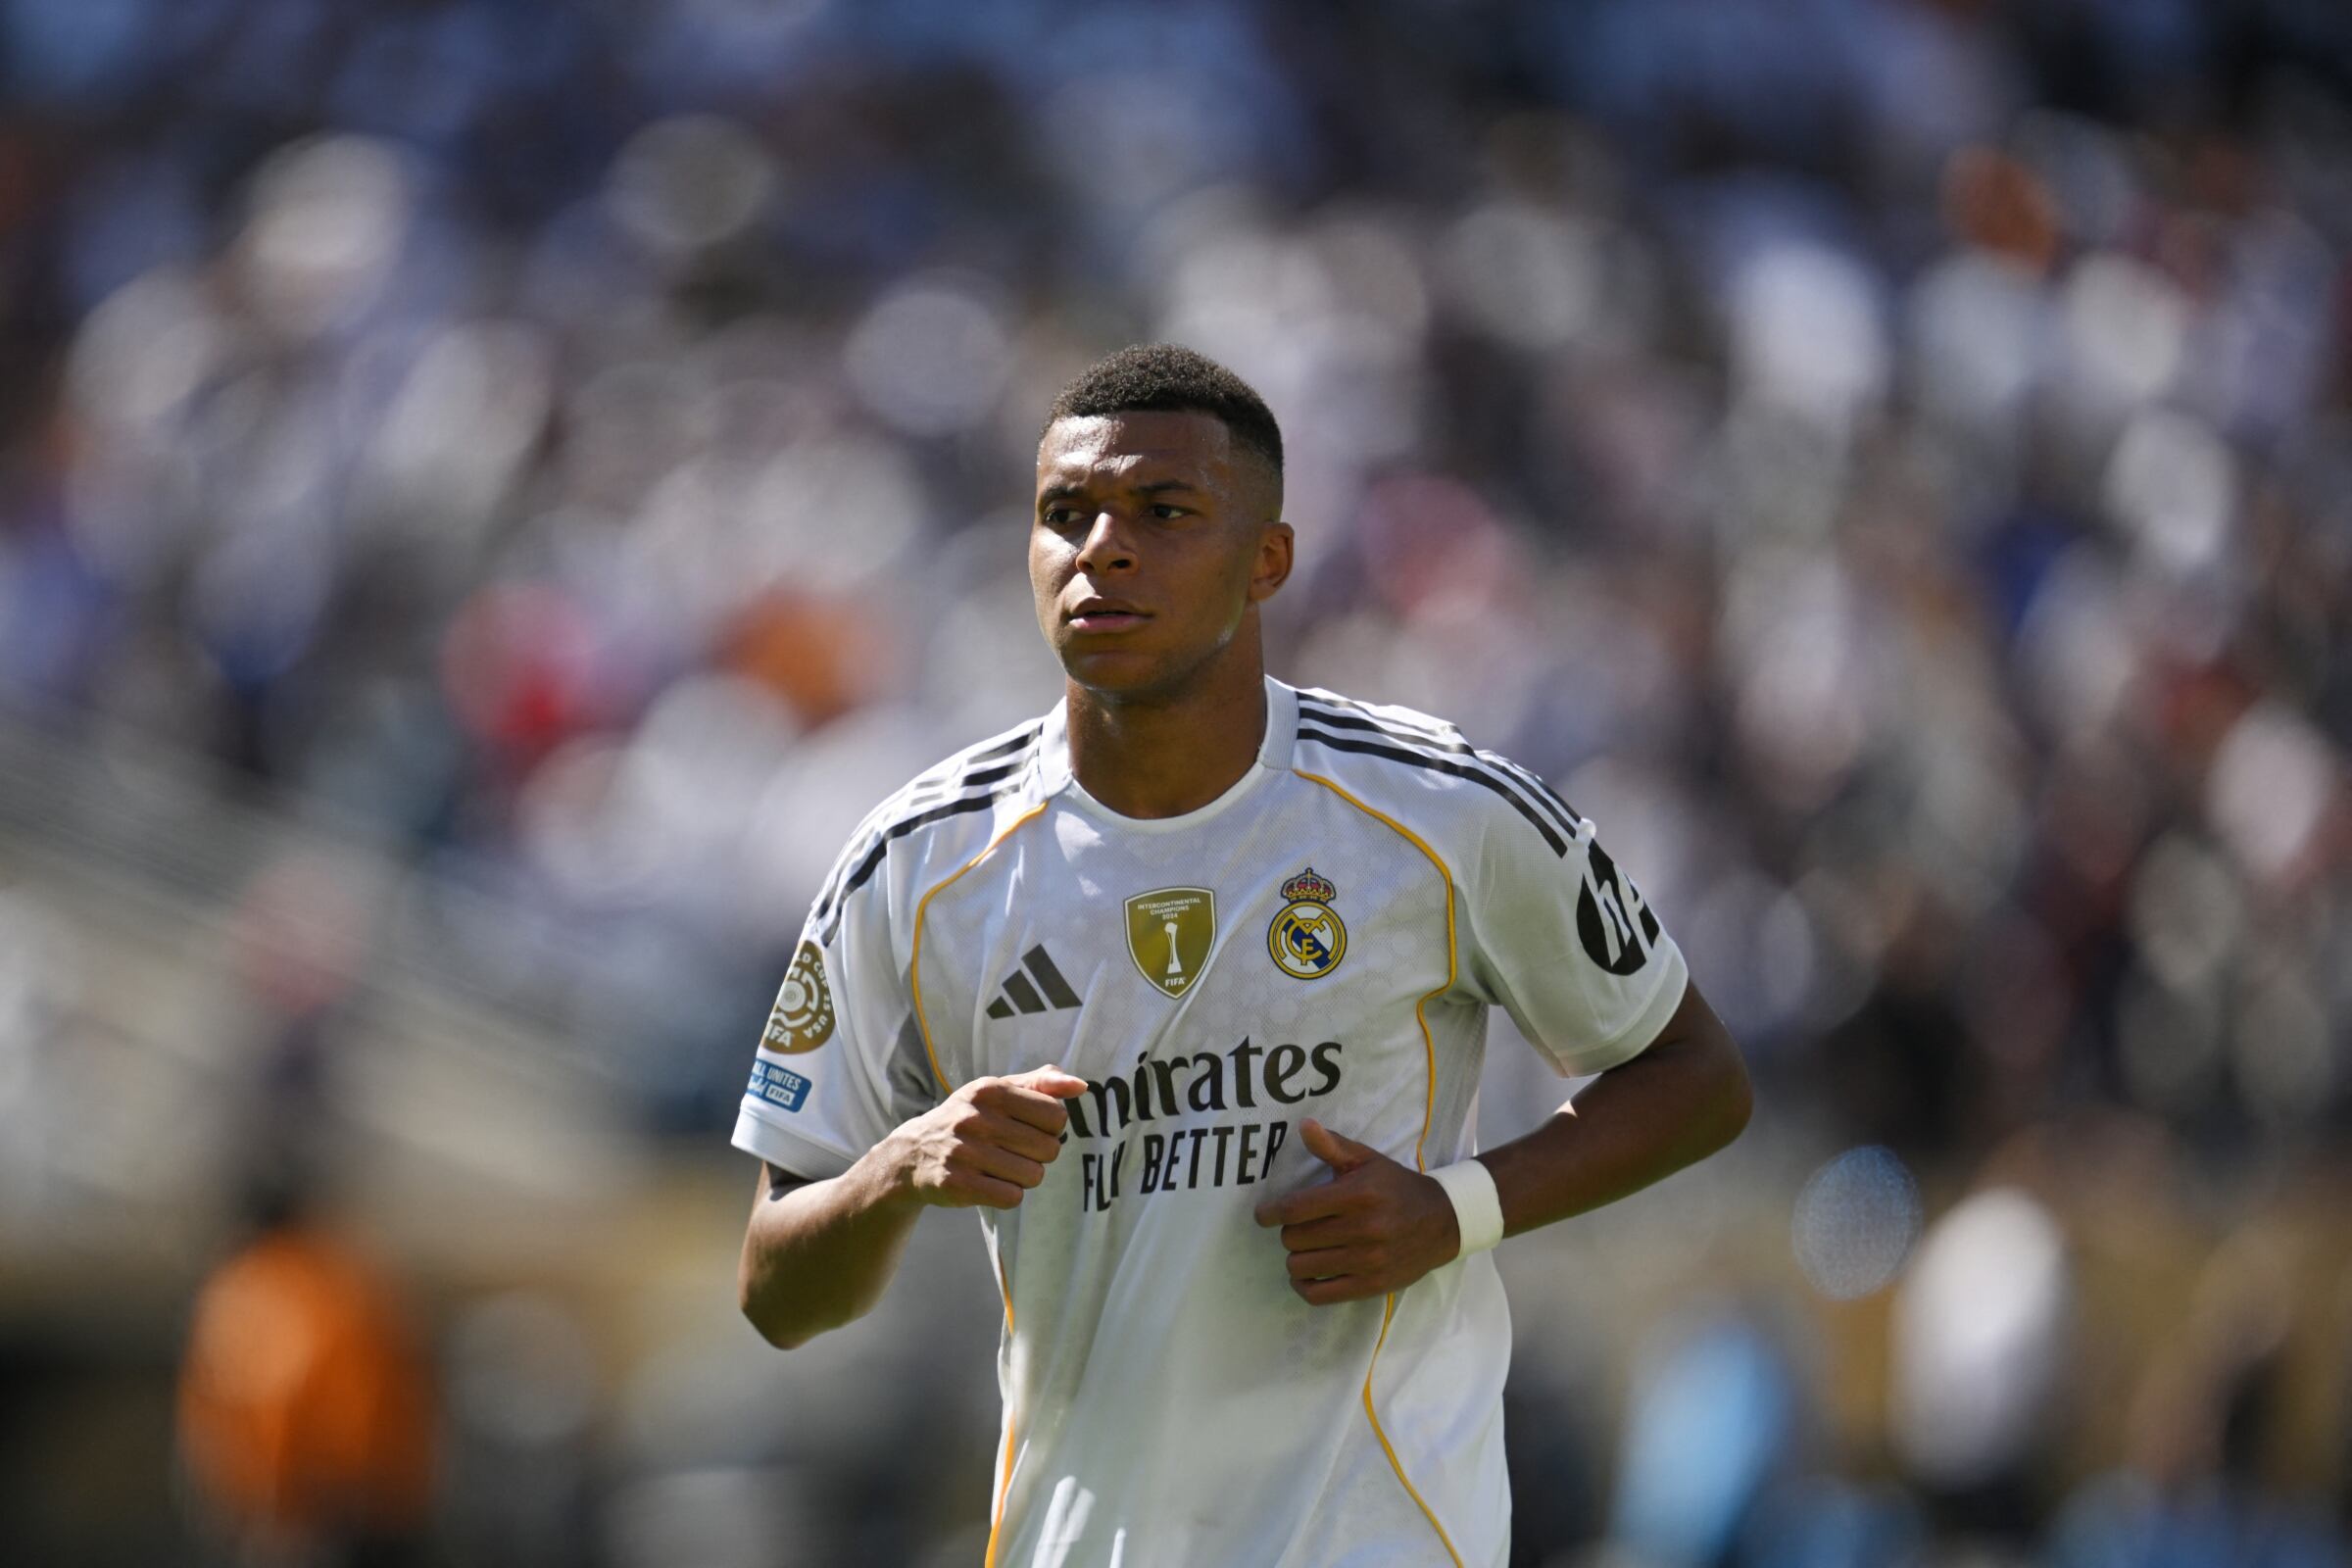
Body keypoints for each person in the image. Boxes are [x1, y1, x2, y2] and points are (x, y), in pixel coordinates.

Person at [733, 343, 1752, 1567]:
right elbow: (777, 1290)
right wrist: (897, 1169)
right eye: (1065, 513)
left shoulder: (1443, 813)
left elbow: (1697, 1076)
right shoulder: (914, 866)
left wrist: (1455, 1210)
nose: (1102, 548)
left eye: (1164, 512)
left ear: (1267, 559)